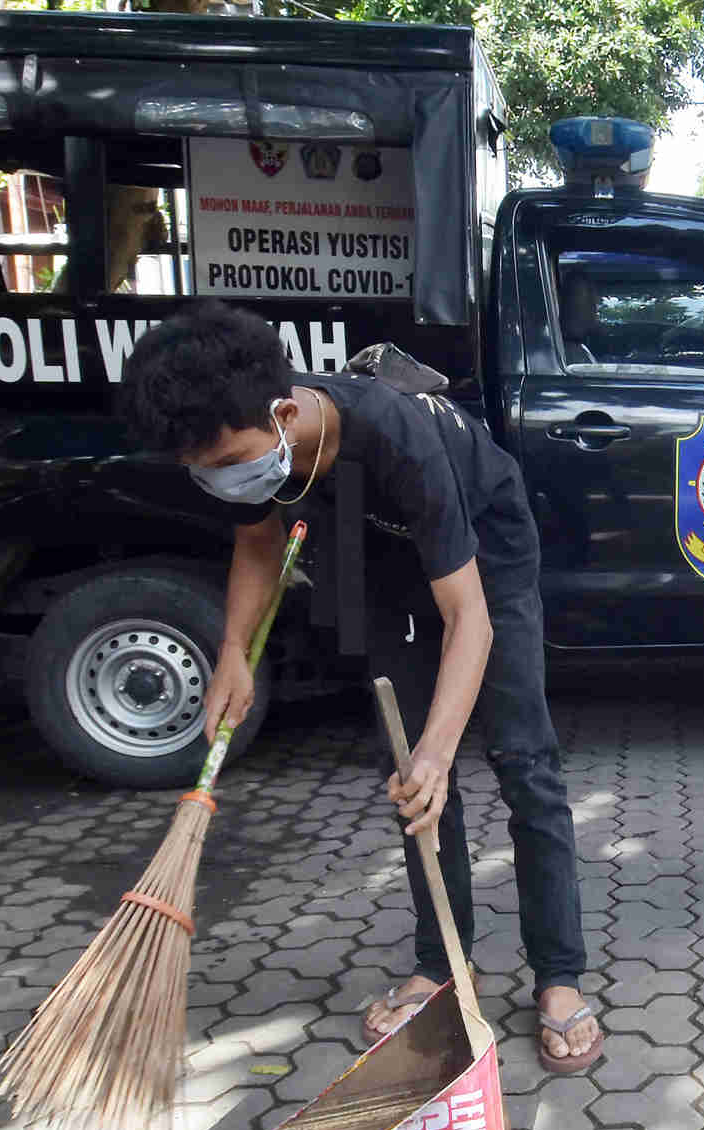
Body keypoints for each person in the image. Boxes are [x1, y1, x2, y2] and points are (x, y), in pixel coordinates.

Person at [118, 301, 602, 1072]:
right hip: (382, 561)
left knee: (523, 762)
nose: (220, 481)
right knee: (405, 775)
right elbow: (256, 540)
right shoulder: (252, 440)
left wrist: (444, 755)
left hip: (487, 560)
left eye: (227, 462)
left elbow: (468, 618)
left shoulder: (397, 434)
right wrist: (233, 653)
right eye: (200, 472)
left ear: (282, 414)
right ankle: (444, 964)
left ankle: (559, 974)